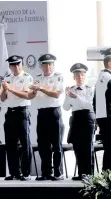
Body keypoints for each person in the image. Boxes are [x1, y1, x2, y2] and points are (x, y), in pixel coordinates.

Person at [28, 53, 64, 181]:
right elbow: (31, 96)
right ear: (41, 66)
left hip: (54, 112)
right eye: (45, 64)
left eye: (50, 64)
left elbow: (56, 94)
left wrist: (41, 88)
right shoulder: (37, 78)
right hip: (42, 113)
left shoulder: (58, 77)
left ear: (53, 65)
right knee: (43, 144)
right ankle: (46, 172)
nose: (48, 67)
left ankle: (58, 172)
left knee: (56, 144)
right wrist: (34, 90)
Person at [0, 55, 32, 181]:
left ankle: (26, 173)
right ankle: (14, 172)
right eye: (13, 65)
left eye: (18, 64)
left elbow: (27, 95)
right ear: (10, 66)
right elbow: (2, 98)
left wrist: (12, 89)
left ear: (21, 64)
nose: (16, 67)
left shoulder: (27, 77)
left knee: (25, 143)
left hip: (22, 112)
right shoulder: (7, 78)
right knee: (10, 144)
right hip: (10, 112)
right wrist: (4, 90)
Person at [63, 63, 96, 180]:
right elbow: (66, 107)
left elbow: (89, 104)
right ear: (74, 77)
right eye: (77, 75)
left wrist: (76, 97)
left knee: (87, 146)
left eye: (82, 75)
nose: (80, 77)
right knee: (77, 146)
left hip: (87, 117)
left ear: (85, 76)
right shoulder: (71, 89)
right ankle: (81, 172)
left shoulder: (90, 88)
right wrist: (67, 96)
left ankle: (89, 173)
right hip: (76, 117)